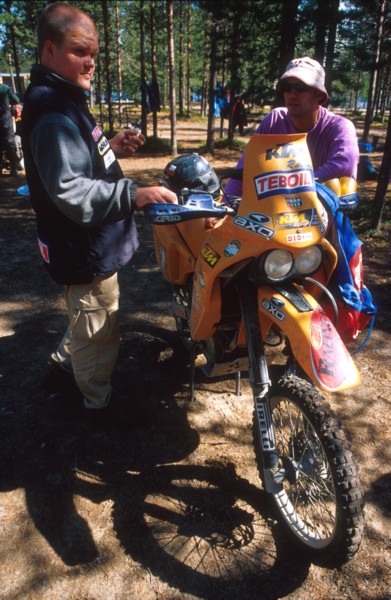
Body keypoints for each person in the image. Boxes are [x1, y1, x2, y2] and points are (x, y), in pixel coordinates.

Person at [21, 2, 177, 417]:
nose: (90, 62)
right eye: (80, 51)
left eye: (94, 54)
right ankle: (96, 402)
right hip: (82, 247)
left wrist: (109, 145)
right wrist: (135, 194)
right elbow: (70, 190)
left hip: (92, 245)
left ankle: (62, 365)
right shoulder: (53, 112)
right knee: (98, 327)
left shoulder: (64, 97)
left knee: (89, 315)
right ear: (49, 49)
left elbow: (75, 158)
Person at [225, 56, 359, 198]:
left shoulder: (339, 127)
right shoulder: (274, 121)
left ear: (319, 94)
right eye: (287, 88)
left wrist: (295, 189)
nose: (292, 95)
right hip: (272, 215)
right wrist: (224, 205)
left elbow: (345, 165)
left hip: (324, 216)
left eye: (301, 87)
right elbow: (246, 168)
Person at [0, 76, 23, 176]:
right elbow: (16, 99)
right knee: (9, 142)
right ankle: (14, 169)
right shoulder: (5, 88)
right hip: (4, 119)